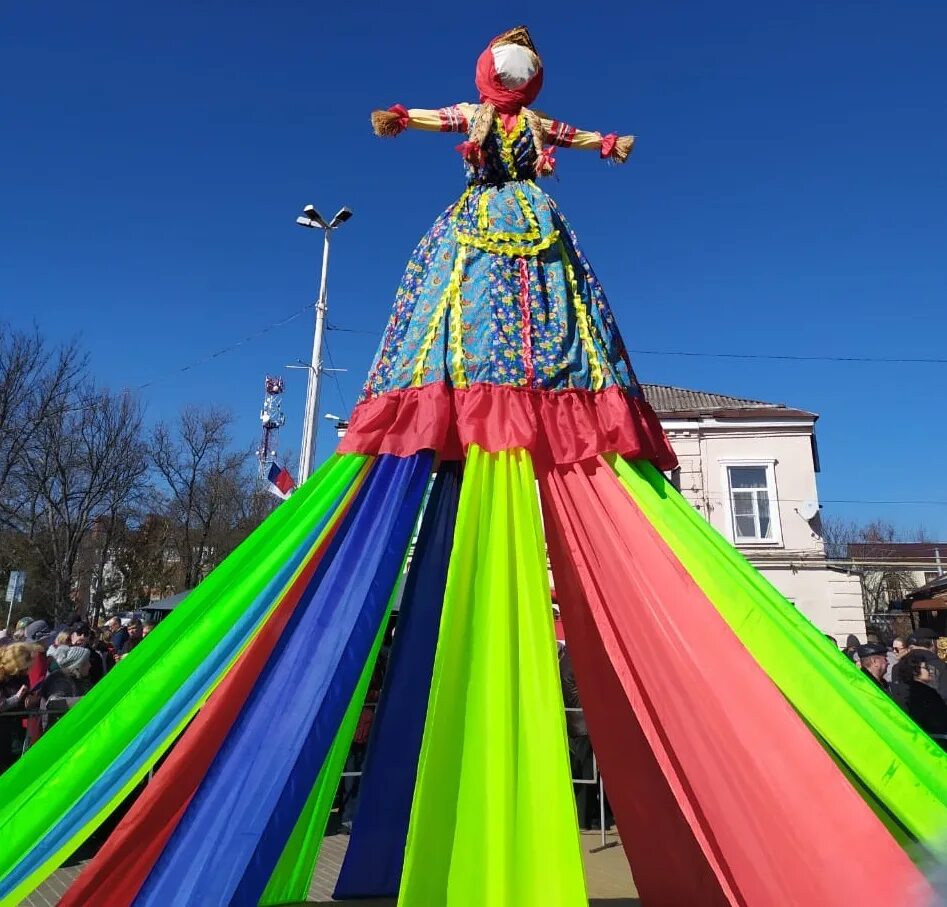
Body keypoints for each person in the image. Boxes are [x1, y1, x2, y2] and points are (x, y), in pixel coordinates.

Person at [901, 652, 947, 748]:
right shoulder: (923, 693)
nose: (929, 671)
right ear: (914, 671)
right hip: (936, 741)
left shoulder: (914, 690)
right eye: (925, 668)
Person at [893, 628, 947, 702]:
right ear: (932, 644)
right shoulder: (941, 666)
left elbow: (897, 694)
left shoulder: (897, 667)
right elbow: (945, 695)